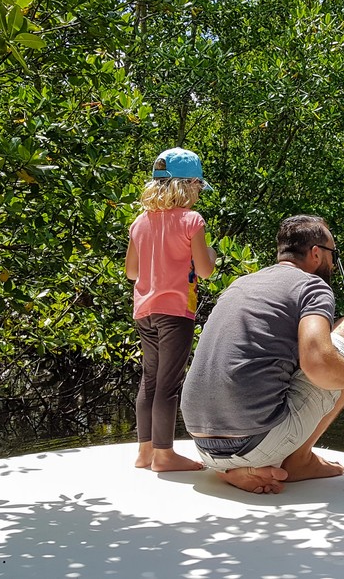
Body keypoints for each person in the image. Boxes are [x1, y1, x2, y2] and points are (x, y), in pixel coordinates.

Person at [179, 215, 344, 494]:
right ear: (316, 253)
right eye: (333, 255)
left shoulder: (242, 284)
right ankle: (298, 460)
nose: (333, 264)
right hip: (256, 443)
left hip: (203, 445)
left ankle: (233, 470)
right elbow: (318, 365)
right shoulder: (312, 287)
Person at [125, 147, 218, 472]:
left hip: (145, 310)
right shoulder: (192, 220)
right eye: (196, 187)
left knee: (149, 380)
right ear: (188, 185)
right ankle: (164, 455)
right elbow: (205, 271)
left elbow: (132, 272)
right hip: (176, 311)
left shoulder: (139, 222)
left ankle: (145, 451)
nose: (197, 193)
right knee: (168, 383)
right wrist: (212, 254)